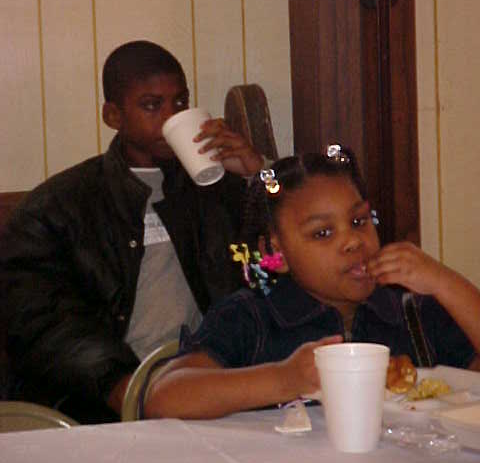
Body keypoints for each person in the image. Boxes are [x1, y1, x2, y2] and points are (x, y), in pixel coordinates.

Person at [0, 40, 264, 423]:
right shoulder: (57, 207)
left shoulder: (219, 191)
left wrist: (258, 175)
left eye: (180, 102)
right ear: (113, 115)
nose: (171, 117)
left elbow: (284, 257)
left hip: (213, 381)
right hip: (106, 397)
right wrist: (127, 389)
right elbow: (42, 322)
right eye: (152, 105)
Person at [143, 145, 480, 420]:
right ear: (276, 251)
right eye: (322, 233)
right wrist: (284, 379)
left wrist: (443, 282)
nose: (353, 241)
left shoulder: (411, 313)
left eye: (359, 221)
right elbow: (163, 397)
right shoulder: (251, 318)